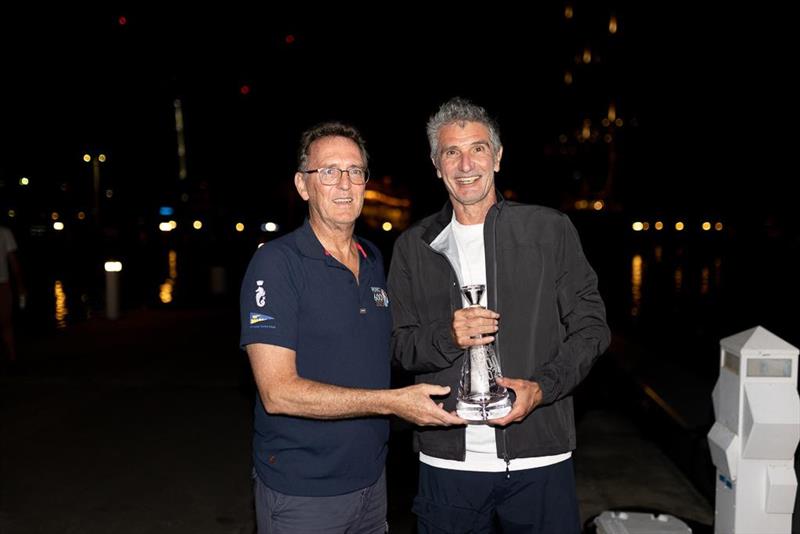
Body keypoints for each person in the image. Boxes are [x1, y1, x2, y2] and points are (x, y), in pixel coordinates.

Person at [388, 97, 611, 533]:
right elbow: (397, 345)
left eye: (478, 148)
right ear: (436, 165)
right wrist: (445, 336)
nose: (465, 163)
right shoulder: (413, 247)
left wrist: (542, 389)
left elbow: (592, 329)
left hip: (540, 456)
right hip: (447, 460)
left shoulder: (549, 230)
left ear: (498, 156)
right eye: (451, 151)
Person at [240, 122, 464, 534]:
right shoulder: (276, 264)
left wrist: (448, 334)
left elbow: (390, 348)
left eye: (354, 171)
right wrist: (394, 403)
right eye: (328, 171)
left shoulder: (374, 258)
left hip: (371, 484)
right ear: (303, 186)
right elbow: (277, 392)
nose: (344, 183)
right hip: (303, 492)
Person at [0, 224, 25, 368]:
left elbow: (13, 261)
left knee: (6, 322)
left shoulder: (5, 233)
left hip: (2, 283)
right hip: (4, 284)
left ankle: (12, 358)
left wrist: (20, 285)